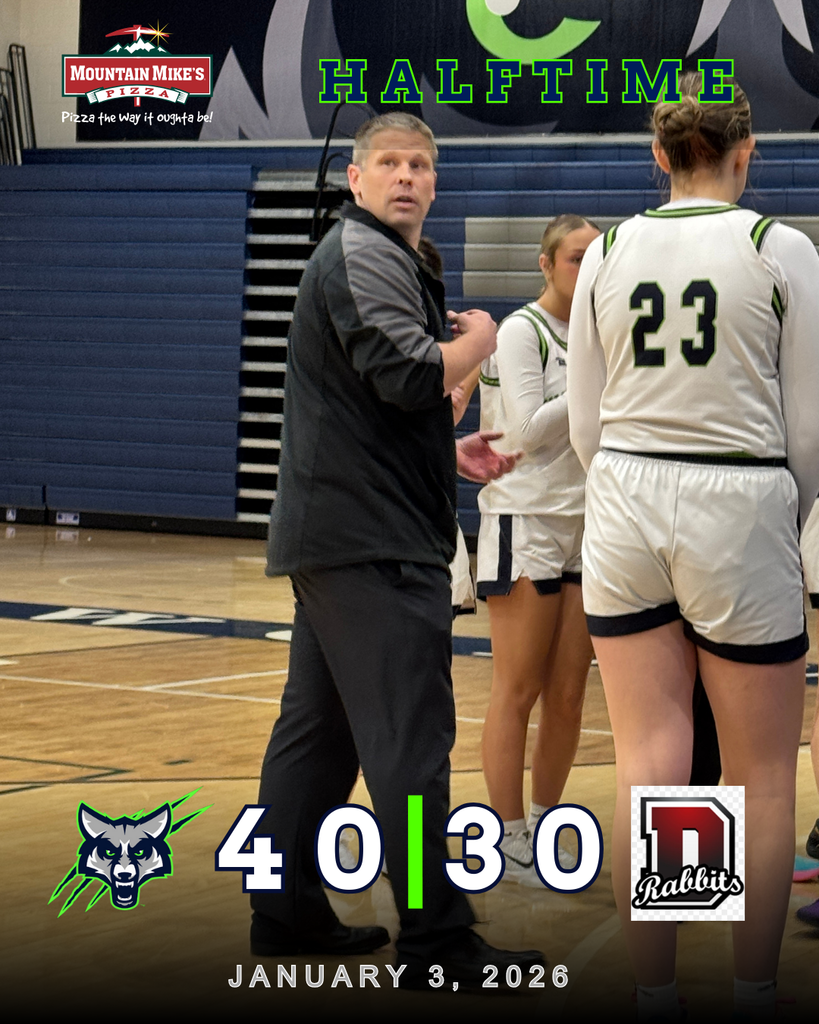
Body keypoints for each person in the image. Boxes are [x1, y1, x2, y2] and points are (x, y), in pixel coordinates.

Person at [251, 111, 544, 991]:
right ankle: (435, 942)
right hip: (370, 542)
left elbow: (374, 405)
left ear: (435, 181)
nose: (406, 176)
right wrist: (481, 341)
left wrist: (442, 451)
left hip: (347, 533)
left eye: (419, 164)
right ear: (356, 177)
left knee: (318, 738)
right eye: (389, 162)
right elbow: (411, 374)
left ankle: (285, 910)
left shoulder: (387, 257)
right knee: (411, 747)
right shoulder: (362, 251)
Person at [566, 73, 819, 1021]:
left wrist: (628, 489)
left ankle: (656, 992)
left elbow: (583, 421)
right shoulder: (777, 246)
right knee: (760, 773)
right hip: (740, 493)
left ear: (658, 156)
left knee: (650, 759)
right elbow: (808, 426)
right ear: (746, 153)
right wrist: (780, 513)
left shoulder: (606, 249)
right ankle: (751, 991)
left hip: (624, 490)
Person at [475, 214, 599, 885]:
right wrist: (596, 384)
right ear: (546, 264)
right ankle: (508, 835)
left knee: (570, 694)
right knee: (517, 688)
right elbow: (523, 431)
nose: (588, 267)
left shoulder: (600, 331)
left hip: (586, 522)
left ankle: (546, 828)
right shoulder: (522, 331)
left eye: (596, 256)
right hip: (523, 518)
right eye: (576, 256)